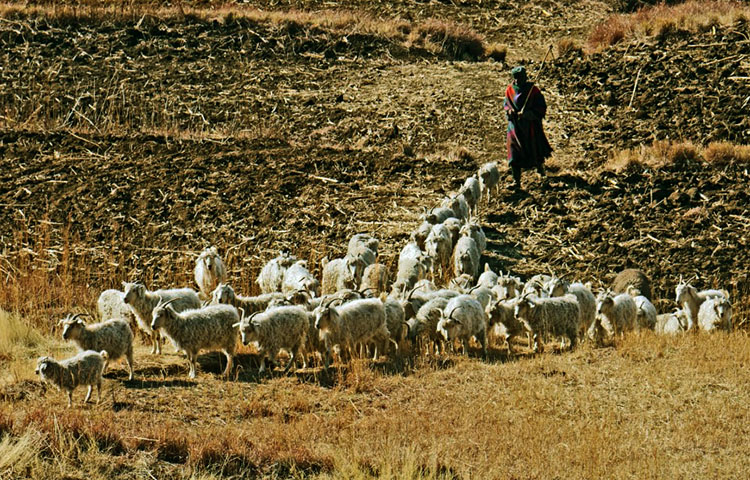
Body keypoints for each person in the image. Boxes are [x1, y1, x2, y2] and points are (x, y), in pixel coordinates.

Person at [503, 65, 552, 189]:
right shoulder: (509, 90)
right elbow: (506, 105)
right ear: (514, 78)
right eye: (518, 78)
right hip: (515, 127)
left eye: (523, 77)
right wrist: (510, 112)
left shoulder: (533, 90)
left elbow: (541, 107)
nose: (520, 80)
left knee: (535, 151)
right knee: (514, 153)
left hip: (530, 127)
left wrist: (529, 114)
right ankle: (516, 181)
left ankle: (542, 174)